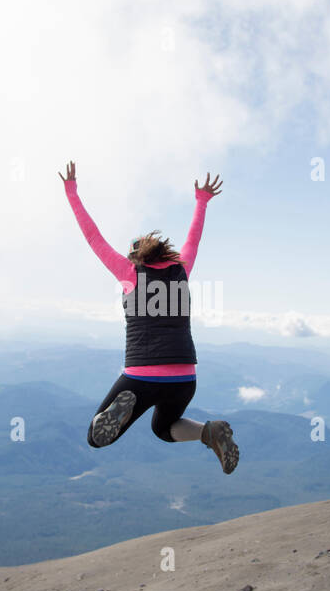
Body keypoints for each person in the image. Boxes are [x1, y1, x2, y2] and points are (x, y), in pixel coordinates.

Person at [59, 160, 239, 474]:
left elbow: (93, 238)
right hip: (185, 376)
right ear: (165, 253)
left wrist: (72, 192)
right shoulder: (181, 270)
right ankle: (208, 432)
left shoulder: (129, 273)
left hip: (141, 374)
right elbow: (193, 240)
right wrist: (201, 201)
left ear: (135, 257)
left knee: (95, 438)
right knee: (164, 427)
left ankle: (126, 403)